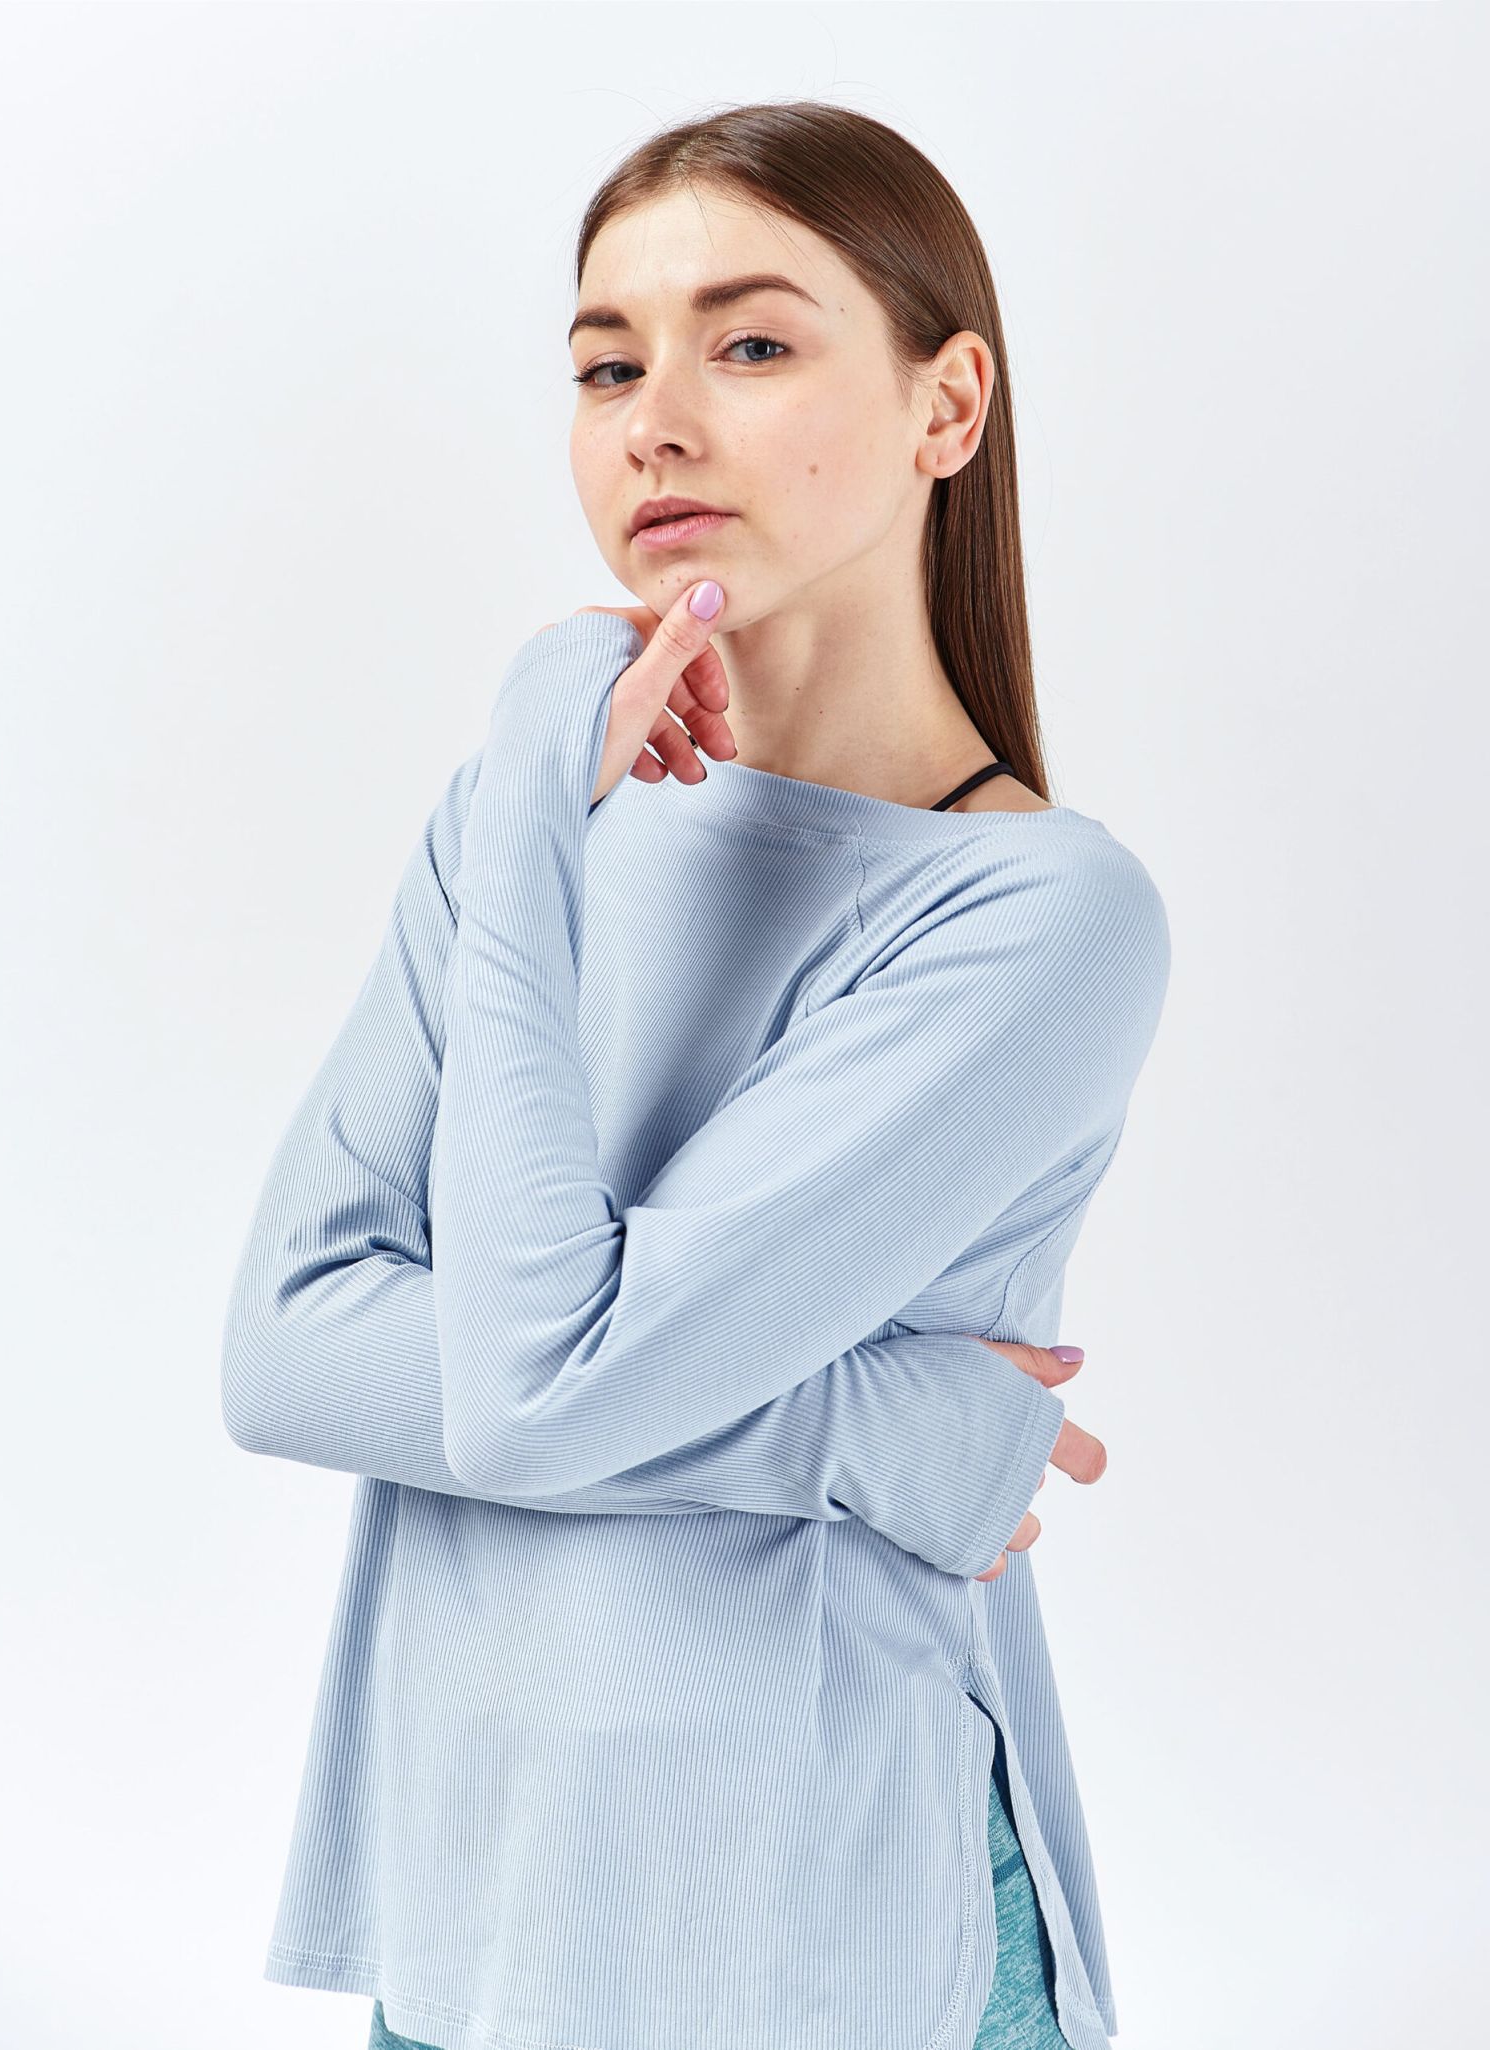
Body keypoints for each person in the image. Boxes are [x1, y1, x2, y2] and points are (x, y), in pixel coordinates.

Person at [221, 102, 1172, 2050]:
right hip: (471, 1927)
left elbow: (539, 1391)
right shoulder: (527, 819)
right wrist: (873, 1426)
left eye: (748, 342)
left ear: (946, 404)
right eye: (606, 365)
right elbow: (285, 1345)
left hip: (814, 1946)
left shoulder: (1038, 915)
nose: (655, 420)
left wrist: (525, 798)